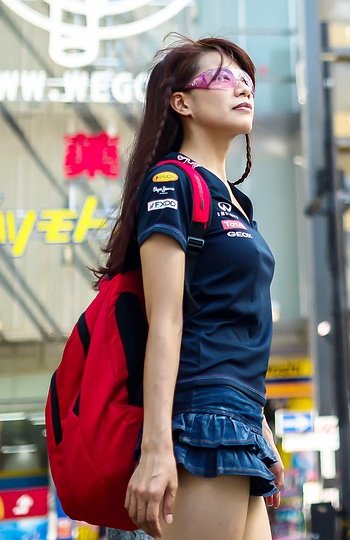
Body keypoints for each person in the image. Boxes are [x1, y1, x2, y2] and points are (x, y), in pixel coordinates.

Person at [98, 36, 284, 539]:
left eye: (247, 80)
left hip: (240, 416)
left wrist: (262, 429)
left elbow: (232, 321)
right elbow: (168, 319)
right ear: (181, 102)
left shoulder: (239, 202)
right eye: (223, 78)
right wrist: (158, 448)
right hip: (201, 417)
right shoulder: (170, 182)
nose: (242, 87)